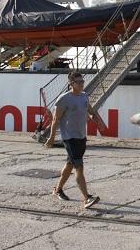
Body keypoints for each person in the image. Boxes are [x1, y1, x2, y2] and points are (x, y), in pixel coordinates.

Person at [45, 71, 106, 209]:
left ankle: (58, 189)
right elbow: (55, 119)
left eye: (82, 81)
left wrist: (98, 121)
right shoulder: (64, 99)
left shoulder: (84, 96)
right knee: (79, 167)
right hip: (69, 138)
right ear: (71, 84)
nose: (81, 84)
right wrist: (52, 137)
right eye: (78, 82)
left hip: (81, 137)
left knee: (70, 164)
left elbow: (90, 111)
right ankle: (87, 198)